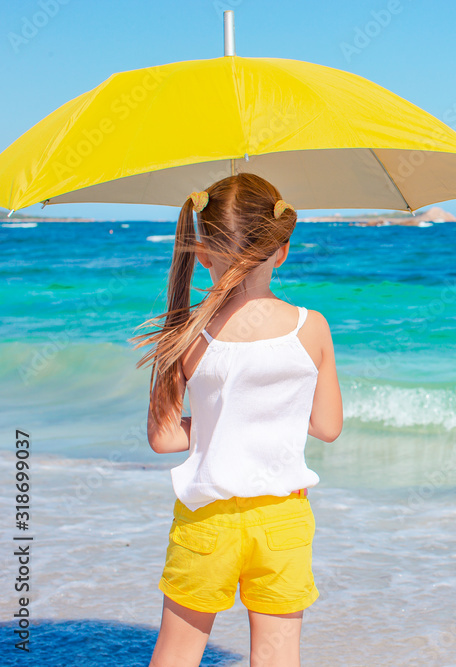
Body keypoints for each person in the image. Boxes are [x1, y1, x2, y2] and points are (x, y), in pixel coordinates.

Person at [130, 172, 343, 667]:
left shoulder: (183, 330)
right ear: (282, 249)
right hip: (283, 521)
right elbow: (327, 426)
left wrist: (214, 424)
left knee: (177, 655)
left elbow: (163, 438)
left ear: (202, 254)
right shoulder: (312, 327)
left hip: (207, 521)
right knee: (277, 657)